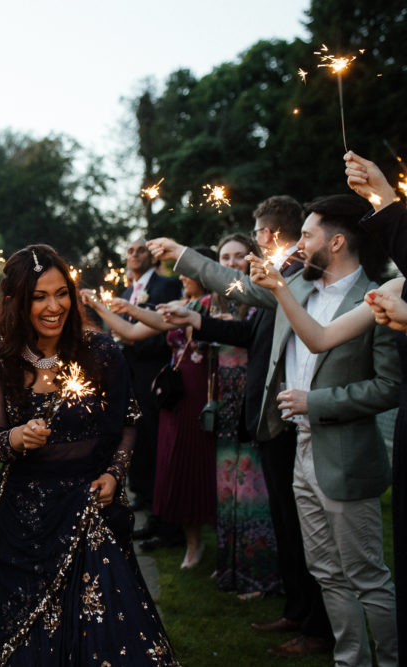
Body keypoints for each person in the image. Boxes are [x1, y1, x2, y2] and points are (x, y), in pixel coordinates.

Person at [161, 195, 400, 666]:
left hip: (346, 453)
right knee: (326, 570)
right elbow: (236, 285)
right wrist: (182, 254)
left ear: (334, 242)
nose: (298, 243)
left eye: (308, 235)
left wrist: (318, 402)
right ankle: (349, 659)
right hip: (300, 448)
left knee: (366, 574)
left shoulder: (378, 300)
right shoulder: (300, 287)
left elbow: (389, 387)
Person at [0, 245, 177, 666]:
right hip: (23, 521)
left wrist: (116, 475)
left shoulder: (101, 351)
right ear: (16, 301)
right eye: (39, 296)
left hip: (89, 510)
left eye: (61, 293)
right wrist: (17, 439)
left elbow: (129, 421)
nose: (54, 306)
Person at [150, 196, 331, 656]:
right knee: (287, 523)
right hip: (271, 416)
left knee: (298, 525)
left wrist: (183, 254)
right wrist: (198, 319)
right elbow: (251, 332)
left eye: (256, 230)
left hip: (289, 414)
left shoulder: (295, 271)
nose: (253, 240)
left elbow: (237, 287)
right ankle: (296, 609)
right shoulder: (286, 271)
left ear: (268, 235)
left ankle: (316, 623)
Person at [85, 250, 216, 568]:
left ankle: (199, 537)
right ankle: (183, 535)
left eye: (186, 272)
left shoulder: (215, 307)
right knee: (170, 460)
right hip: (172, 393)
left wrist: (129, 307)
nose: (180, 277)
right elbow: (130, 332)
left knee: (195, 463)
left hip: (199, 389)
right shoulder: (182, 306)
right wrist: (98, 307)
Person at [205, 233, 279, 595]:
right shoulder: (212, 302)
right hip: (224, 403)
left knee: (253, 489)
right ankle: (229, 568)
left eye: (239, 256)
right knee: (227, 488)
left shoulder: (259, 302)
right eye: (225, 257)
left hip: (252, 400)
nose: (232, 262)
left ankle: (260, 574)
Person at [119, 240, 181, 530]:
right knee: (136, 435)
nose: (134, 255)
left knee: (156, 436)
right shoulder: (124, 293)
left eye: (140, 250)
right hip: (128, 373)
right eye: (130, 251)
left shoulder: (165, 286)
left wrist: (133, 339)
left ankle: (161, 502)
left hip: (153, 371)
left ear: (151, 257)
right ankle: (142, 492)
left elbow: (164, 330)